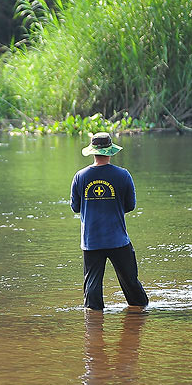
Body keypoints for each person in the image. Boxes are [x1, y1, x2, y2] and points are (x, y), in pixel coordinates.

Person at [69, 132, 149, 312]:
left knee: (92, 289)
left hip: (91, 241)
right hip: (118, 239)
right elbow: (130, 206)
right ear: (110, 152)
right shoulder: (123, 175)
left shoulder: (80, 177)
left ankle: (93, 326)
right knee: (131, 284)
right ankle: (140, 316)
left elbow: (75, 207)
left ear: (93, 152)